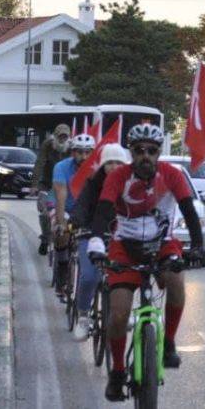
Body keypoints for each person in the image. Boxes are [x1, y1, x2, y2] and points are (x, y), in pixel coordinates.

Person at [87, 124, 204, 402]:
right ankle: (117, 373)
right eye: (139, 151)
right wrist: (96, 242)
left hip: (161, 242)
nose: (145, 157)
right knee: (118, 313)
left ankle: (169, 343)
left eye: (151, 151)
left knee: (176, 282)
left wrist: (197, 245)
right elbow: (103, 212)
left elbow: (188, 210)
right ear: (131, 153)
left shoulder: (172, 175)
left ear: (158, 152)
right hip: (124, 247)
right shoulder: (118, 177)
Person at [67, 142, 130, 340]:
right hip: (91, 234)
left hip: (120, 237)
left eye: (118, 163)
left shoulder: (131, 185)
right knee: (89, 277)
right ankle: (84, 316)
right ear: (102, 166)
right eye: (109, 163)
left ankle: (122, 312)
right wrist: (76, 220)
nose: (113, 167)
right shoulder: (93, 184)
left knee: (127, 276)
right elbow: (82, 205)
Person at [50, 133, 97, 298]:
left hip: (88, 212)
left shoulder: (98, 169)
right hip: (68, 208)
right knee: (60, 231)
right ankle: (62, 266)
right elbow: (61, 195)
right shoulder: (61, 167)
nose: (83, 156)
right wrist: (61, 223)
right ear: (72, 152)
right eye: (79, 152)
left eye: (87, 152)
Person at [34, 123, 72, 255]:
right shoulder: (48, 145)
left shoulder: (72, 148)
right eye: (60, 137)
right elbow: (40, 163)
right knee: (45, 213)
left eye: (65, 137)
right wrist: (34, 185)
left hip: (64, 187)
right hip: (47, 184)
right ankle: (45, 239)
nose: (62, 140)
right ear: (55, 136)